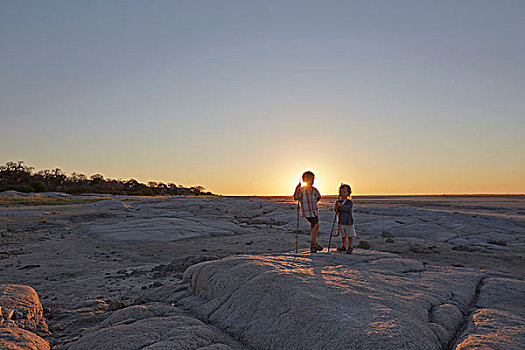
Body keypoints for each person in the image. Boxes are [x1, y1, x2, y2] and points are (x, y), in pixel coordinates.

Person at [294, 171, 323, 253]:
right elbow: (296, 197)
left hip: (314, 211)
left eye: (311, 178)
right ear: (304, 180)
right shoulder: (302, 190)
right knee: (316, 225)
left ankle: (313, 245)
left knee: (314, 227)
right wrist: (297, 189)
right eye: (307, 178)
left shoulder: (315, 190)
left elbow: (318, 197)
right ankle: (314, 243)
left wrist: (313, 203)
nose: (310, 180)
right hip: (307, 211)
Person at [334, 184, 356, 253]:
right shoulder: (338, 201)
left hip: (348, 221)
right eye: (341, 192)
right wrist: (336, 207)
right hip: (341, 221)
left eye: (344, 192)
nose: (342, 193)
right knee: (343, 235)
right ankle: (344, 246)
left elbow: (348, 209)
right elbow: (336, 211)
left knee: (349, 235)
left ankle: (350, 246)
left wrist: (341, 206)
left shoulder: (349, 202)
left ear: (348, 193)